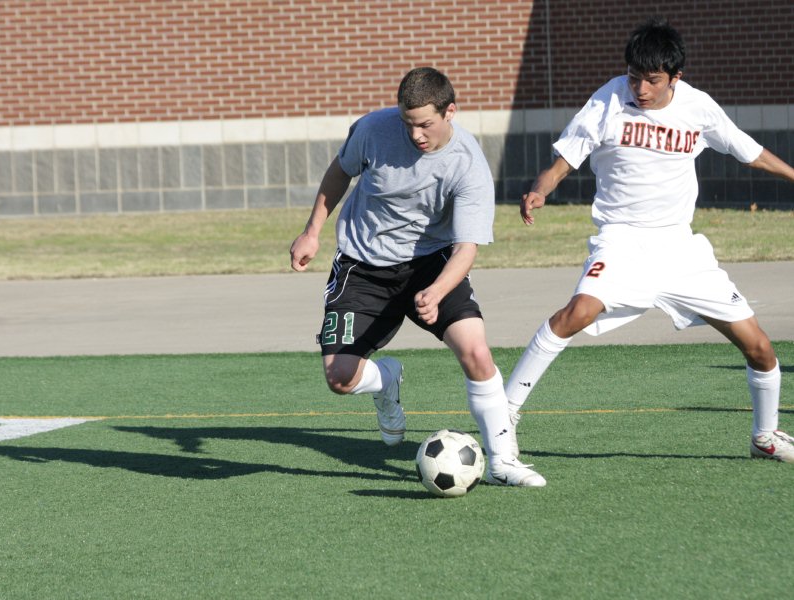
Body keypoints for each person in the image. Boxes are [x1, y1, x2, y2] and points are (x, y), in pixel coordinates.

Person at [504, 17, 794, 465]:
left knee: (758, 346)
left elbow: (747, 150)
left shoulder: (697, 107)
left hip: (680, 249)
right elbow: (564, 159)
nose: (640, 88)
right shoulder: (608, 99)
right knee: (575, 313)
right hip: (621, 242)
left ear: (675, 77)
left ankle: (765, 435)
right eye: (635, 77)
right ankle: (504, 416)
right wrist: (541, 189)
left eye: (652, 80)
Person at [289, 67, 546, 487]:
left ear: (450, 112)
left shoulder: (469, 164)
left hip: (432, 263)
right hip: (362, 264)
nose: (415, 135)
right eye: (408, 123)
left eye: (425, 124)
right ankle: (386, 380)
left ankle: (503, 461)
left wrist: (437, 290)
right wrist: (312, 231)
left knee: (477, 352)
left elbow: (467, 248)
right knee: (339, 378)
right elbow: (340, 171)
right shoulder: (373, 129)